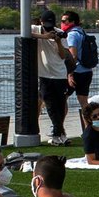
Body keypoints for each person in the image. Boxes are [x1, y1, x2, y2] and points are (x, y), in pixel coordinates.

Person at [32, 10, 73, 146]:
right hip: (45, 74)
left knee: (60, 105)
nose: (49, 27)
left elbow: (62, 55)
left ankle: (59, 134)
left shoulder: (59, 33)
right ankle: (59, 134)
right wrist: (44, 36)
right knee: (49, 105)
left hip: (60, 74)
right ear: (41, 22)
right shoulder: (36, 29)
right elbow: (24, 33)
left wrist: (58, 41)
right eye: (46, 24)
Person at [62, 11, 96, 129]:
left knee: (62, 99)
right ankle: (89, 129)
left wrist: (70, 74)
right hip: (87, 71)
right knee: (84, 102)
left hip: (75, 72)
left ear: (72, 22)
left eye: (64, 21)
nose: (62, 24)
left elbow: (73, 56)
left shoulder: (71, 35)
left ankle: (59, 128)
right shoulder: (81, 32)